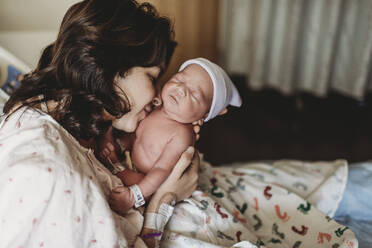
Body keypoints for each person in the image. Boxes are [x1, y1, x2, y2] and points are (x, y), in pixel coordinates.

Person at [0, 0, 199, 247]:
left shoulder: (64, 116)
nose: (158, 96)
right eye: (152, 77)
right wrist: (163, 199)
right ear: (111, 67)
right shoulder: (52, 177)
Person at [97, 58, 242, 214]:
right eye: (179, 79)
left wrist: (135, 195)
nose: (181, 90)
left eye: (194, 94)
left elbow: (161, 169)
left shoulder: (181, 135)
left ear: (204, 115)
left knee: (137, 180)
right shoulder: (157, 108)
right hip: (132, 157)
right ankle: (115, 152)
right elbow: (139, 136)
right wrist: (121, 144)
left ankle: (115, 165)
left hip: (149, 180)